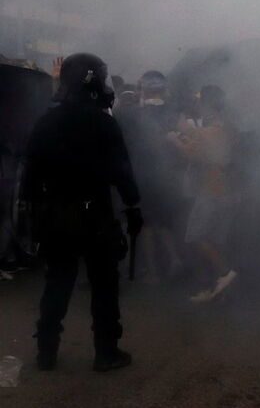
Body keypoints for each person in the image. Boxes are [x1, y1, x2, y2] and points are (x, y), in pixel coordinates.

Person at [21, 53, 142, 371]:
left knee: (57, 282)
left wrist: (30, 212)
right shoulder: (103, 122)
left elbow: (30, 170)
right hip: (95, 217)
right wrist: (133, 204)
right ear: (92, 82)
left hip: (55, 215)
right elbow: (122, 170)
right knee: (104, 285)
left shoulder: (47, 121)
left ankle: (46, 353)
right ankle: (106, 352)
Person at [169, 86, 237, 303]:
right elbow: (208, 151)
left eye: (200, 101)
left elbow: (194, 154)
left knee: (197, 236)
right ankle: (217, 288)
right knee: (216, 238)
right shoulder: (225, 125)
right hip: (227, 190)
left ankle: (225, 273)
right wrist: (190, 135)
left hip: (211, 190)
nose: (197, 104)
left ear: (207, 103)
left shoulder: (211, 128)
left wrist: (175, 139)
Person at [119, 71, 185, 283]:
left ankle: (153, 272)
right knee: (163, 220)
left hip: (144, 174)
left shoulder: (136, 114)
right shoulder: (175, 113)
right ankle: (174, 260)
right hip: (168, 175)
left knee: (146, 223)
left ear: (144, 89)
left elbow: (127, 144)